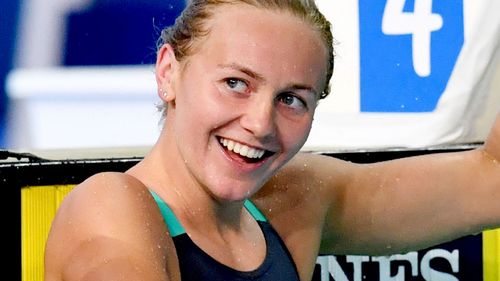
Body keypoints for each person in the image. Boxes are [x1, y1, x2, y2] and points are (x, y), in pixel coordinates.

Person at [44, 0, 500, 280]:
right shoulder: (111, 205)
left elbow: (492, 181)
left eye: (291, 99)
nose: (261, 123)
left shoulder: (292, 202)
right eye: (235, 83)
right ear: (169, 73)